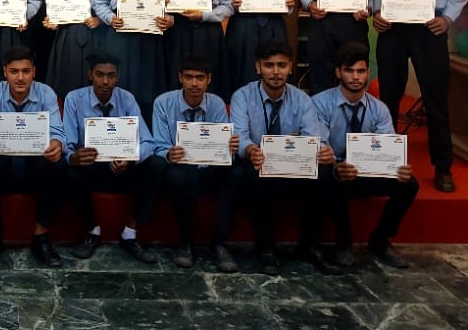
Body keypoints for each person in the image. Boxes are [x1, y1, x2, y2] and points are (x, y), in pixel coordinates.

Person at [373, 0, 468, 193]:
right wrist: (377, 12)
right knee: (388, 97)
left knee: (435, 98)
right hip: (393, 30)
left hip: (429, 29)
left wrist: (447, 18)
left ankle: (443, 167)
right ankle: (385, 161)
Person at [230, 42, 337, 275]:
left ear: (290, 67)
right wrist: (251, 150)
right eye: (269, 65)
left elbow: (313, 137)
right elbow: (240, 137)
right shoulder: (242, 96)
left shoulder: (302, 99)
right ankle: (265, 247)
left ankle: (310, 244)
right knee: (251, 173)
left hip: (293, 162)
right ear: (258, 67)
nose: (276, 72)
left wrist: (322, 151)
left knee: (325, 173)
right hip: (259, 161)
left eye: (282, 65)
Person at [313, 43, 418, 268]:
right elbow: (320, 146)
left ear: (368, 73)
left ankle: (380, 240)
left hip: (368, 170)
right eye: (349, 71)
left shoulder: (379, 108)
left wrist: (397, 167)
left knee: (409, 184)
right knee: (328, 176)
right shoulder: (319, 103)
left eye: (361, 71)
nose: (355, 77)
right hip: (337, 172)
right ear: (338, 72)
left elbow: (387, 147)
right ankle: (343, 244)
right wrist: (336, 165)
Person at [63, 52, 166, 264]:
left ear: (118, 77)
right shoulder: (74, 99)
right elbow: (68, 145)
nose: (105, 81)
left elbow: (148, 142)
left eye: (111, 76)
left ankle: (130, 233)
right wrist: (74, 157)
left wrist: (131, 159)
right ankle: (92, 231)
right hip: (92, 168)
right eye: (99, 75)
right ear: (90, 75)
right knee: (69, 171)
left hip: (123, 167)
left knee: (157, 164)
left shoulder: (126, 98)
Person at [0, 46, 67, 268]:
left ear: (34, 72)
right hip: (3, 166)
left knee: (60, 165)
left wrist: (56, 145)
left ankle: (40, 236)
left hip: (35, 167)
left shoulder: (46, 93)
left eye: (26, 71)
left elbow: (58, 132)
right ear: (5, 72)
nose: (20, 77)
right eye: (14, 71)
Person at [152, 55, 240, 272]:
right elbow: (159, 145)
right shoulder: (163, 102)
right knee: (177, 175)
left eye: (200, 78)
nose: (194, 83)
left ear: (208, 79)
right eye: (189, 77)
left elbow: (223, 143)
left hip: (209, 168)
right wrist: (169, 153)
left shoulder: (216, 103)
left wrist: (229, 147)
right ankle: (186, 243)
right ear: (180, 78)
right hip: (180, 168)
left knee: (235, 172)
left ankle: (219, 243)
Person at [93, 0, 173, 118]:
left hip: (150, 40)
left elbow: (171, 9)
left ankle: (146, 130)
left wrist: (169, 20)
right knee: (121, 86)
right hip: (120, 38)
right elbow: (99, 2)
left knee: (149, 88)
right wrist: (110, 18)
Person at [44, 0, 105, 98]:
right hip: (66, 37)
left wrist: (99, 20)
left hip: (94, 37)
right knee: (66, 80)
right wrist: (51, 21)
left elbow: (110, 8)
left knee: (92, 81)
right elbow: (54, 11)